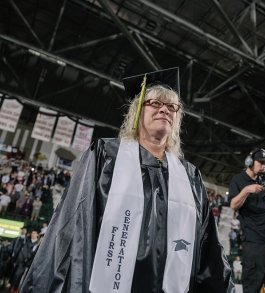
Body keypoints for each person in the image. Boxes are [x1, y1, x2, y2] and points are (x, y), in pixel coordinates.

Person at [20, 67, 234, 293]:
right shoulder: (105, 156)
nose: (164, 110)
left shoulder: (190, 176)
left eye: (172, 107)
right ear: (137, 111)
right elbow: (72, 226)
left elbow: (207, 246)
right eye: (155, 103)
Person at [229, 148, 265, 293]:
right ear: (249, 162)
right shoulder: (238, 180)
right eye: (261, 162)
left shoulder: (264, 180)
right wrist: (246, 190)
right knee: (252, 287)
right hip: (254, 242)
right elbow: (233, 205)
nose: (264, 166)